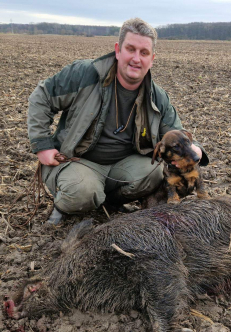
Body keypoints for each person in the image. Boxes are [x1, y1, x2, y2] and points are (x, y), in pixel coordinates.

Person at [27, 17, 208, 224]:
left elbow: (176, 132)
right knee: (82, 192)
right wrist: (42, 145)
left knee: (154, 172)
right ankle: (64, 205)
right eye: (130, 49)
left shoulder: (157, 97)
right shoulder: (85, 75)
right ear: (118, 50)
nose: (136, 59)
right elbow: (41, 97)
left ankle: (109, 202)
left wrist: (196, 149)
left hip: (122, 166)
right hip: (77, 161)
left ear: (152, 58)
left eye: (144, 53)